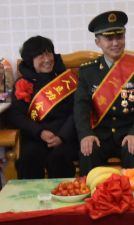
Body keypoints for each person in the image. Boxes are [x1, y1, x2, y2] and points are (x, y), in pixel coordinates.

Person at [74, 10, 134, 175]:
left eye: (120, 37)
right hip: (99, 135)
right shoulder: (88, 72)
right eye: (109, 39)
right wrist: (86, 134)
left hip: (128, 133)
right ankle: (90, 192)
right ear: (98, 42)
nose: (116, 43)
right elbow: (81, 106)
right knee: (88, 152)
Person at [8, 35, 80, 179]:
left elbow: (77, 111)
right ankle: (31, 194)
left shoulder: (66, 80)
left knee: (58, 159)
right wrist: (40, 132)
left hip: (66, 137)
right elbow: (16, 115)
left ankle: (63, 194)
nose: (47, 60)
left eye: (49, 54)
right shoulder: (22, 83)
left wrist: (62, 137)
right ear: (30, 60)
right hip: (36, 137)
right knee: (29, 159)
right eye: (40, 56)